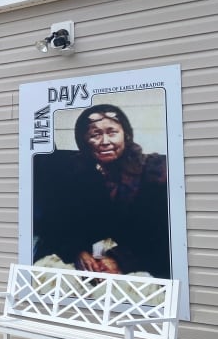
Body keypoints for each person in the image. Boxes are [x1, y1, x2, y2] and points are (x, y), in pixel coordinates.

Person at [32, 104, 171, 278]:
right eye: (95, 134)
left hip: (144, 261)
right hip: (95, 261)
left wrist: (119, 260)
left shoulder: (153, 172)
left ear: (126, 135)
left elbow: (161, 233)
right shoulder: (77, 173)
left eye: (112, 132)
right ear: (84, 141)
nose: (105, 141)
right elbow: (61, 222)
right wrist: (78, 251)